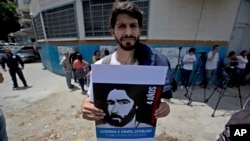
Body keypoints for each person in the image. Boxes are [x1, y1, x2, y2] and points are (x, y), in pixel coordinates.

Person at [81, 1, 172, 122]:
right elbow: (90, 99)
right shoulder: (101, 67)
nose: (128, 32)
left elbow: (157, 100)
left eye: (133, 26)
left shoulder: (151, 67)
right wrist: (85, 105)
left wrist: (164, 106)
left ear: (140, 30)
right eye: (121, 26)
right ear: (112, 31)